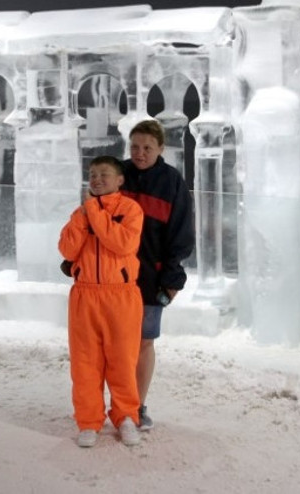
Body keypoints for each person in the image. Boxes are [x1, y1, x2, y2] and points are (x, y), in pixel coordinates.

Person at [58, 155, 144, 448]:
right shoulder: (81, 212)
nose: (96, 179)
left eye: (103, 174)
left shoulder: (130, 210)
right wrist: (85, 216)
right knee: (85, 363)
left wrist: (93, 210)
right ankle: (88, 421)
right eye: (93, 174)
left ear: (119, 180)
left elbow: (123, 243)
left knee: (122, 361)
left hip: (121, 295)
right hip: (84, 296)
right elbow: (67, 250)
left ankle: (126, 417)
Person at [121, 119, 195, 431]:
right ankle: (117, 405)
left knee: (143, 343)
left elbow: (181, 235)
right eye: (135, 146)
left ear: (161, 149)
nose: (140, 153)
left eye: (147, 148)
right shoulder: (117, 174)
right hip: (114, 279)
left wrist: (172, 279)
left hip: (151, 279)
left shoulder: (172, 183)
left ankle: (136, 406)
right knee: (115, 345)